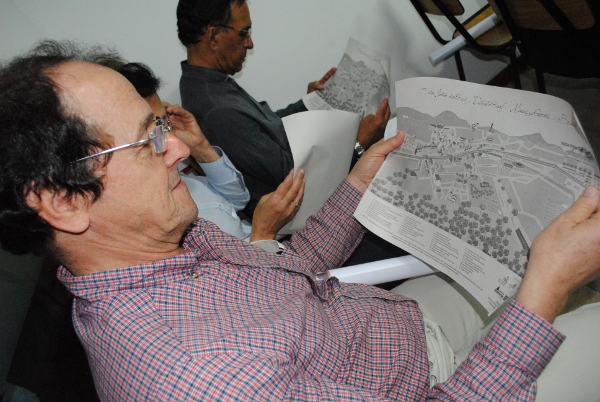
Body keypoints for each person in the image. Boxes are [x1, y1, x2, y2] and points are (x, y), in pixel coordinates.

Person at [2, 40, 600, 401]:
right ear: (64, 202)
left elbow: (293, 272)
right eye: (147, 140)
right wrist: (544, 293)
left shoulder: (168, 241)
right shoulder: (197, 377)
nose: (178, 149)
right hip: (444, 385)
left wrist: (357, 183)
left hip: (390, 327)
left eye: (161, 126)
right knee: (558, 292)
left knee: (517, 259)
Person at [177, 0, 391, 216]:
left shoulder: (209, 83)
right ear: (214, 37)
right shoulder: (218, 110)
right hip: (302, 214)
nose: (250, 43)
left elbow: (264, 125)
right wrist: (358, 145)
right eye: (244, 33)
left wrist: (310, 102)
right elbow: (295, 180)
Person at [113, 61, 303, 244]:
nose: (182, 151)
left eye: (164, 124)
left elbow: (238, 198)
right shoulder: (146, 218)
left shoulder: (177, 177)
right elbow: (224, 267)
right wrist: (263, 233)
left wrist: (200, 146)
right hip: (259, 253)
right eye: (152, 134)